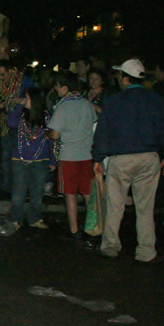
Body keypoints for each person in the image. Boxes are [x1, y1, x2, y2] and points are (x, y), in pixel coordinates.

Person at [92, 59, 164, 263]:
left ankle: (111, 245)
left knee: (115, 205)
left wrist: (97, 158)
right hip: (149, 158)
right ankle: (146, 251)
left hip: (121, 159)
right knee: (145, 208)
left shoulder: (114, 101)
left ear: (125, 78)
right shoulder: (157, 100)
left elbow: (103, 132)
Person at [47, 71, 97, 242]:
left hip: (68, 156)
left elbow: (54, 135)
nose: (56, 89)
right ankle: (93, 227)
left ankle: (74, 229)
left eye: (57, 86)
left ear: (64, 87)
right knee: (88, 193)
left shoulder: (63, 106)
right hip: (87, 155)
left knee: (70, 194)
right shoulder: (87, 104)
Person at [7, 87, 55, 230]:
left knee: (37, 192)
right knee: (18, 192)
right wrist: (20, 105)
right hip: (20, 160)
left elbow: (52, 140)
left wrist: (53, 160)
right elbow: (11, 123)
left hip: (40, 160)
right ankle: (15, 219)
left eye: (27, 97)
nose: (24, 99)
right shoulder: (21, 116)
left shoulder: (47, 117)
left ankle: (35, 218)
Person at [0, 61, 36, 194]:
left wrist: (20, 101)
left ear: (11, 71)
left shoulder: (25, 83)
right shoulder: (1, 86)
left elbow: (36, 100)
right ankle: (8, 186)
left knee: (22, 156)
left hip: (22, 123)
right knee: (6, 155)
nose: (1, 78)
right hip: (7, 124)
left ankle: (23, 186)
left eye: (3, 75)